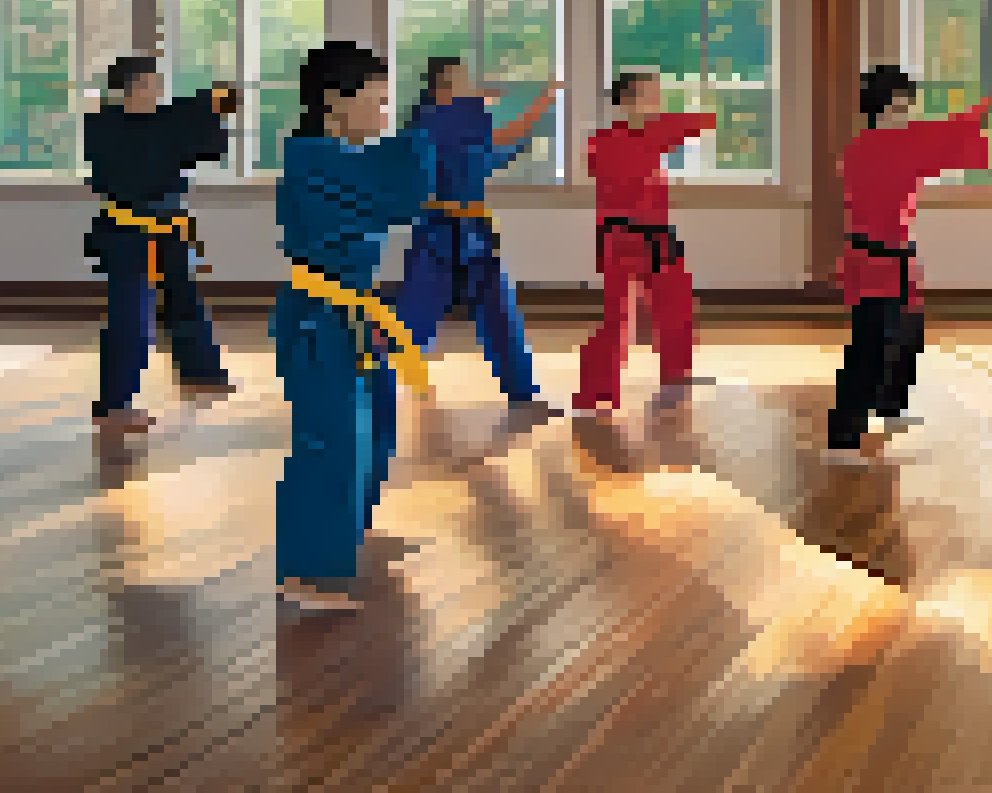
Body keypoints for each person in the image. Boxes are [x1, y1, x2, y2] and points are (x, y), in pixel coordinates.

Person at [273, 41, 438, 611]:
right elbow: (398, 192)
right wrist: (432, 124)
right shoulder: (312, 157)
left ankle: (344, 533)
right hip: (321, 317)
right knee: (332, 438)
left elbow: (387, 180)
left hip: (354, 311)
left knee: (375, 428)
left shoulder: (335, 153)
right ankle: (308, 573)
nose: (381, 114)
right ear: (332, 101)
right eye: (374, 101)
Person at [827, 67, 992, 459]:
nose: (908, 111)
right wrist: (988, 104)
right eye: (900, 104)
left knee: (908, 332)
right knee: (868, 346)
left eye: (908, 104)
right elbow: (950, 131)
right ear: (882, 107)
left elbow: (940, 137)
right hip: (876, 259)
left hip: (894, 256)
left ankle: (888, 406)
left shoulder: (881, 144)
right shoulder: (882, 145)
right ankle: (842, 438)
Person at [82, 55, 241, 437]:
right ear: (130, 88)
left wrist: (214, 106)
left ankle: (202, 372)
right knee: (131, 315)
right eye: (151, 85)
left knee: (185, 298)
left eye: (158, 85)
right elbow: (151, 157)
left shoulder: (163, 121)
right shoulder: (104, 126)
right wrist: (200, 111)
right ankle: (114, 406)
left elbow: (203, 149)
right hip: (126, 232)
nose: (157, 92)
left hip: (168, 228)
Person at [393, 58, 559, 412]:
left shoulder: (466, 122)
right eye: (463, 79)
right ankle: (372, 392)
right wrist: (539, 103)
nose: (471, 85)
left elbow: (496, 152)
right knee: (413, 318)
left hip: (475, 234)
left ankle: (524, 393)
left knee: (501, 313)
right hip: (436, 233)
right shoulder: (428, 122)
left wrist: (536, 109)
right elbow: (493, 136)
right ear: (441, 87)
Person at [578, 70, 714, 415]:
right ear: (628, 101)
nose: (657, 101)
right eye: (651, 95)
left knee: (676, 308)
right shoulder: (614, 139)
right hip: (622, 238)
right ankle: (596, 394)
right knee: (619, 319)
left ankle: (674, 377)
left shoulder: (624, 137)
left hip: (652, 235)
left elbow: (704, 121)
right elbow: (702, 120)